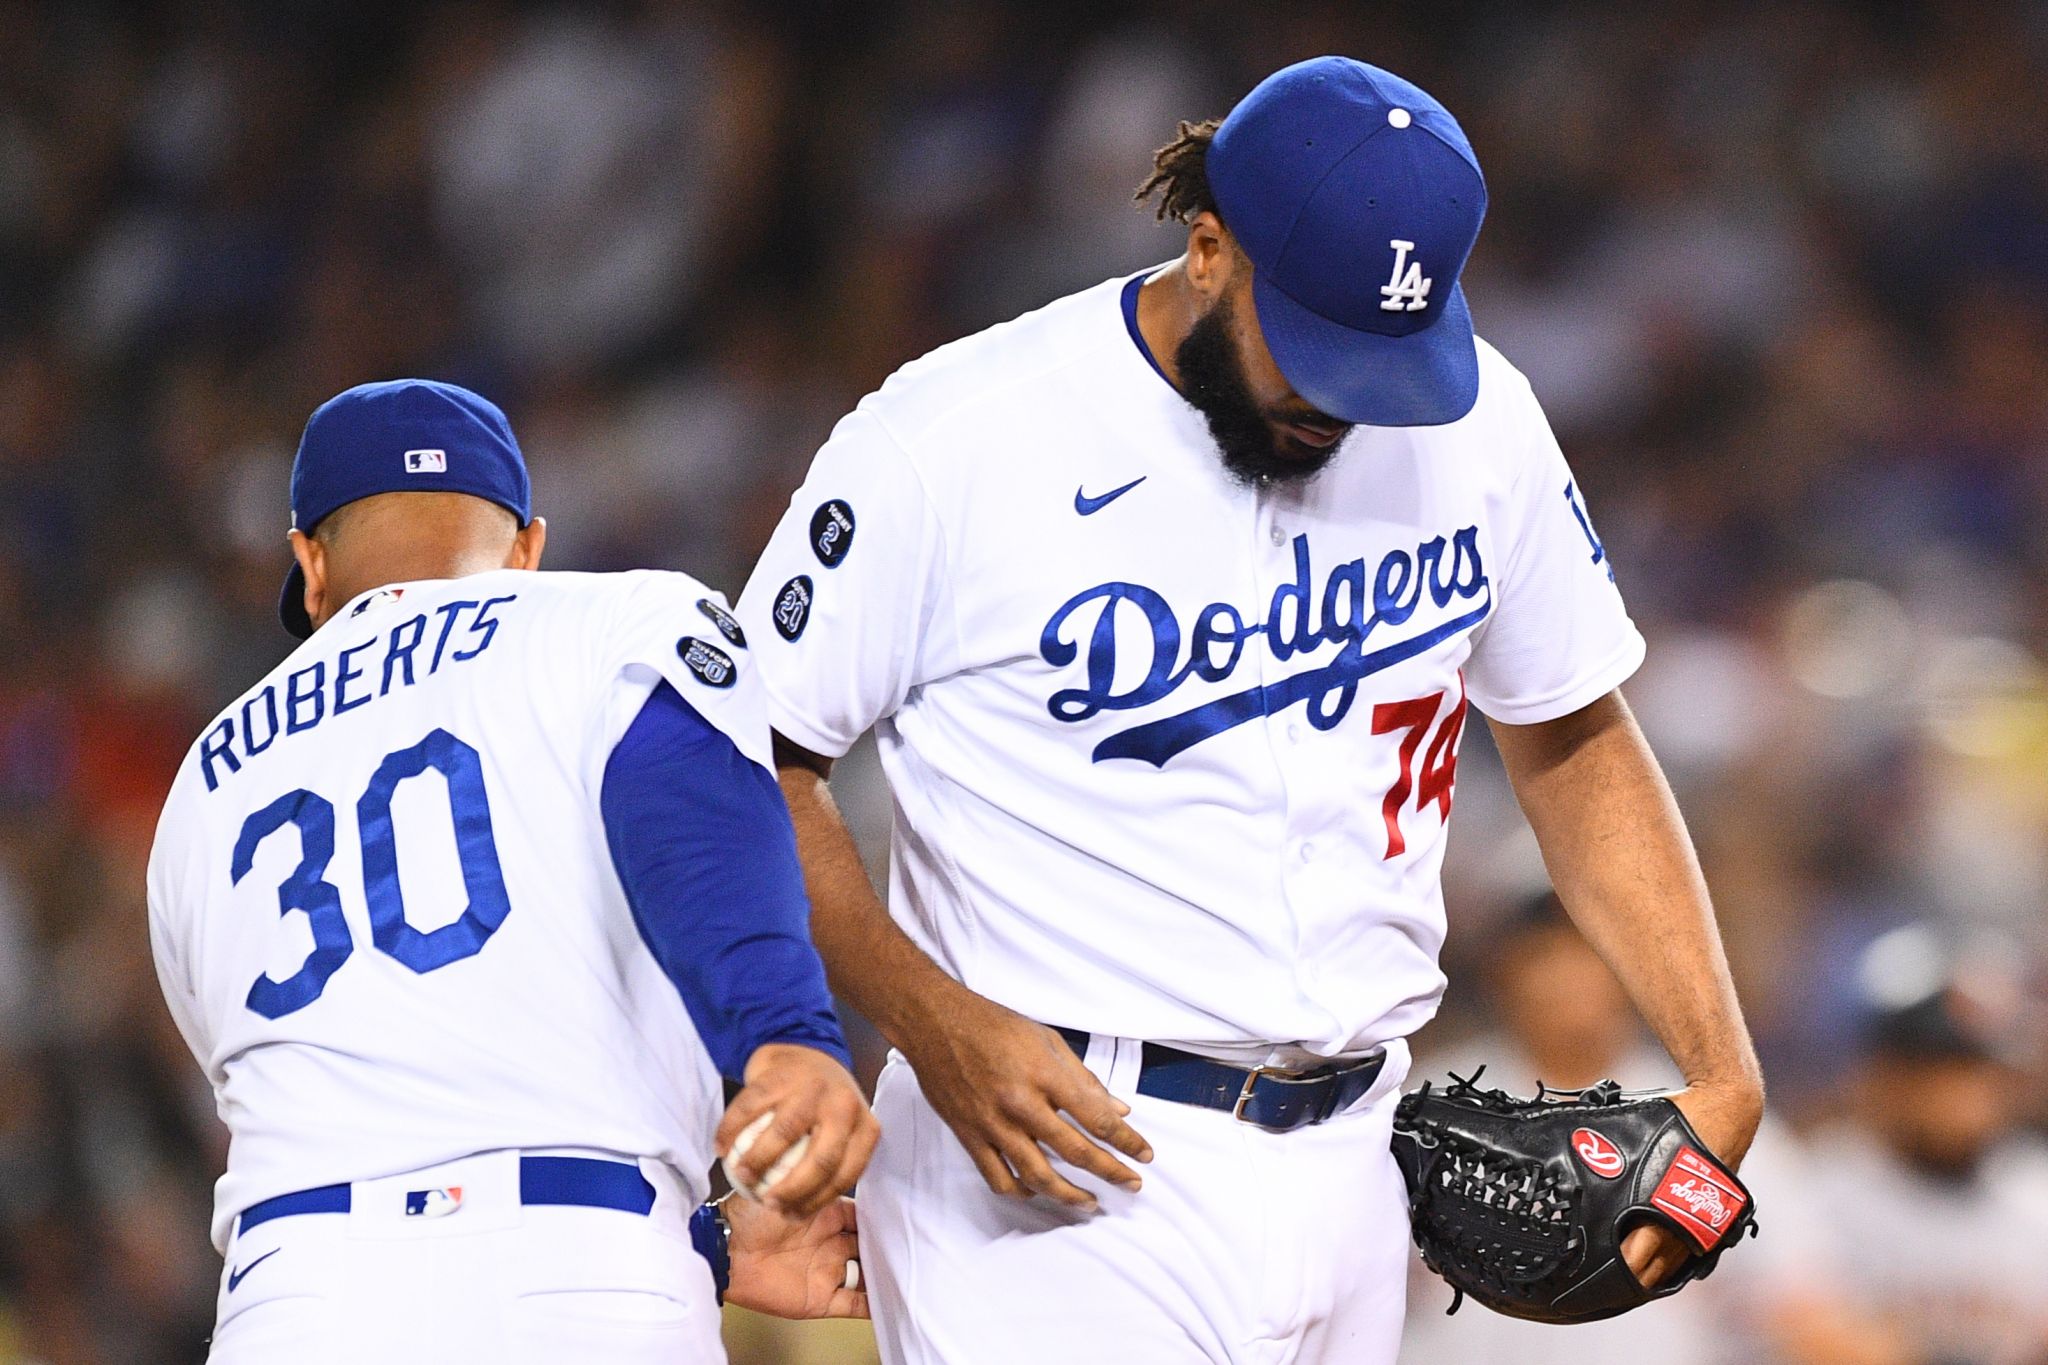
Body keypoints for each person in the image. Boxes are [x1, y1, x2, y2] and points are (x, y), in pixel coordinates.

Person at [737, 57, 1764, 1364]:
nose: (1348, 401)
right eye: (1321, 347)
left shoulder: (1483, 421)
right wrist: (920, 1010)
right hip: (1052, 1162)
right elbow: (752, 762)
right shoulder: (956, 438)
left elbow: (1572, 733)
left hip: (1356, 1163)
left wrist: (1721, 1062)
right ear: (1209, 247)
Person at [146, 379, 879, 1363]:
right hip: (577, 1272)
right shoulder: (607, 620)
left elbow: (265, 1075)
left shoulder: (204, 780)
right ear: (527, 546)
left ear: (310, 567)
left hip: (293, 1296)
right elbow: (684, 807)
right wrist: (783, 1035)